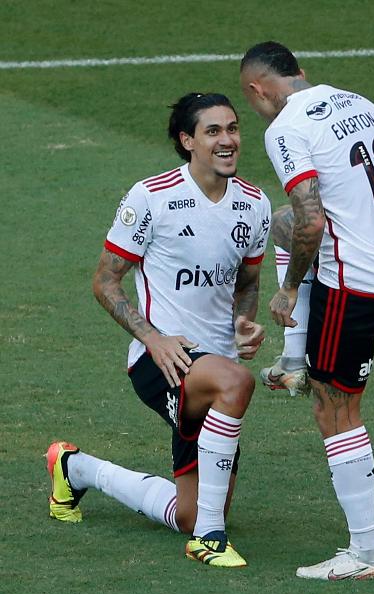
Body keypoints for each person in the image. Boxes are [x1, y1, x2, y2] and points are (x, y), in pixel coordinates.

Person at [46, 92, 271, 568]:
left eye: (232, 128)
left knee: (188, 510)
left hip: (212, 363)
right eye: (213, 132)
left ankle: (76, 468)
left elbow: (247, 283)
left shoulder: (254, 205)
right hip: (161, 361)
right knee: (236, 382)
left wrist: (243, 322)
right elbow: (105, 279)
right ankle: (209, 540)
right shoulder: (152, 197)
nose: (228, 140)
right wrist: (153, 337)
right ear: (187, 141)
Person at [240, 41, 374, 580]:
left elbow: (313, 222)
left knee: (333, 407)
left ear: (256, 90)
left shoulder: (286, 128)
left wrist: (289, 290)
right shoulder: (360, 103)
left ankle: (366, 553)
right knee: (280, 222)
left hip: (355, 285)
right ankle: (295, 359)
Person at [259, 204, 314, 397]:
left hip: (356, 273)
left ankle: (294, 357)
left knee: (285, 220)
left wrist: (288, 289)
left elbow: (312, 218)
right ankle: (294, 358)